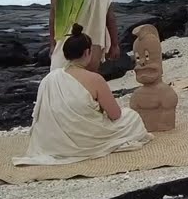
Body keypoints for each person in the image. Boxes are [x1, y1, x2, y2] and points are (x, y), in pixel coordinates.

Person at [14, 25, 151, 165]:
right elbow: (115, 114)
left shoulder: (49, 78)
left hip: (51, 143)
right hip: (86, 140)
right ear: (87, 52)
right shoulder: (94, 79)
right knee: (132, 117)